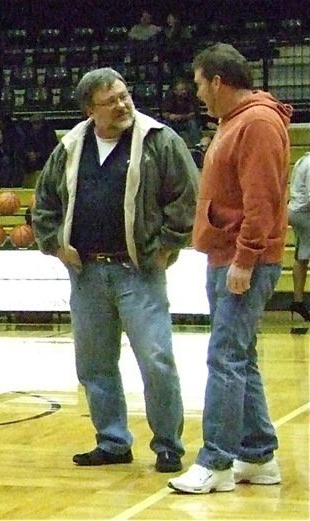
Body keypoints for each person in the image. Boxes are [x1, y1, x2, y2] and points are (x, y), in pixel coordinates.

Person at [33, 67, 198, 474]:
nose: (123, 105)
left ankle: (168, 445)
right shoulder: (70, 146)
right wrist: (55, 244)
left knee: (156, 360)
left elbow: (187, 195)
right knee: (93, 365)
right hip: (87, 274)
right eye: (112, 101)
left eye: (125, 95)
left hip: (138, 272)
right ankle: (112, 440)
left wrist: (165, 246)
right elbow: (44, 202)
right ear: (91, 109)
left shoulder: (159, 140)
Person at [169, 43, 294, 494]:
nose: (197, 93)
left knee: (224, 359)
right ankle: (258, 456)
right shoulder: (236, 121)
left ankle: (216, 461)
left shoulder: (257, 123)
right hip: (226, 256)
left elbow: (262, 201)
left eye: (200, 84)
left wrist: (244, 259)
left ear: (218, 82)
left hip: (243, 261)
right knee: (242, 358)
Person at [290, 152, 310, 321]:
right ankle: (298, 303)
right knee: (302, 256)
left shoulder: (302, 160)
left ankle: (298, 303)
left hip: (295, 210)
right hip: (305, 213)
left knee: (301, 257)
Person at [160, 79, 202, 146]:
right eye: (181, 90)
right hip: (173, 122)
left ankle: (197, 145)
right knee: (166, 125)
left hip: (187, 121)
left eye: (185, 89)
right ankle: (170, 146)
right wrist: (170, 116)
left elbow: (194, 113)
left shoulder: (190, 96)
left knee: (193, 123)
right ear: (175, 91)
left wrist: (182, 117)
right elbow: (164, 113)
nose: (184, 91)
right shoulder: (170, 97)